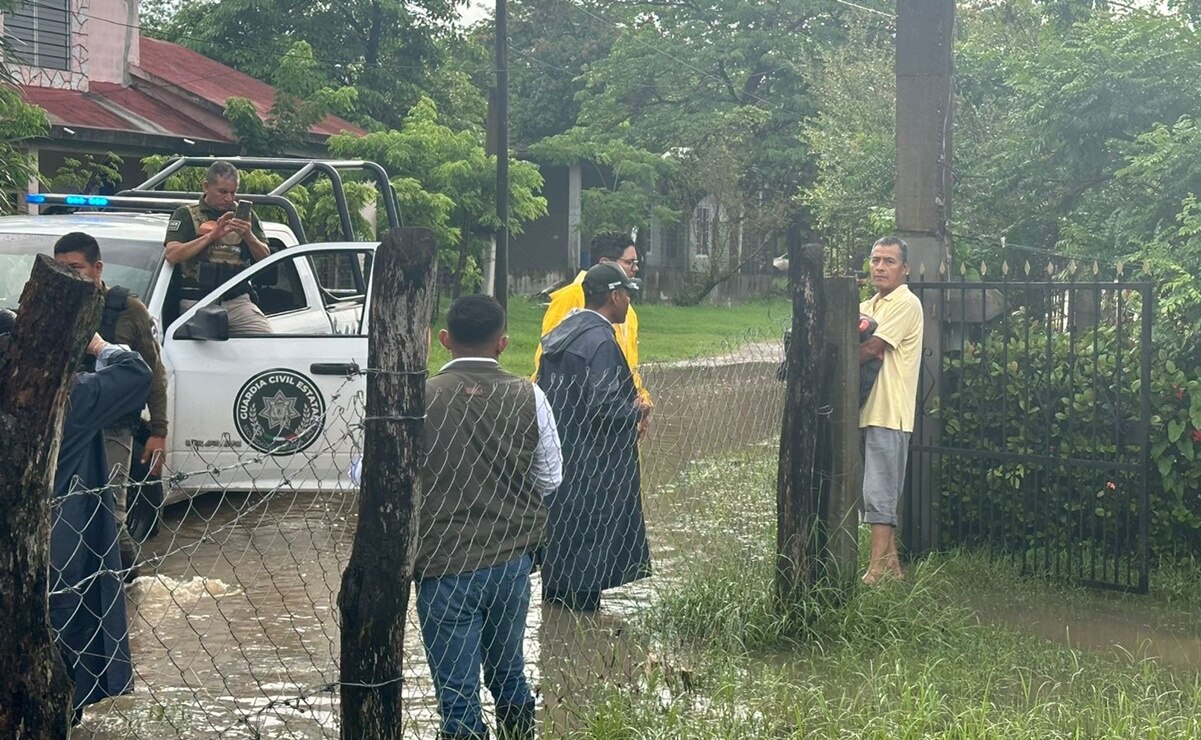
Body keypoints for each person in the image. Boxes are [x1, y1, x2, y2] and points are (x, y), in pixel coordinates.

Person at [417, 294, 563, 740]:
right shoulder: (528, 393)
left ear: (444, 340)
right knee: (509, 673)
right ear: (502, 343)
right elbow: (551, 476)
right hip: (510, 563)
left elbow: (372, 475)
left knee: (457, 694)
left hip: (442, 565)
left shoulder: (418, 398)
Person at [0, 311, 151, 719]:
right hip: (52, 560)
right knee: (58, 669)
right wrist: (97, 344)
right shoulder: (67, 399)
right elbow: (136, 374)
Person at [535, 263, 652, 611]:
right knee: (588, 564)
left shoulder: (564, 333)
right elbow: (603, 403)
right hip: (594, 468)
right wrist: (637, 411)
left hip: (562, 460)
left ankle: (556, 639)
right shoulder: (600, 340)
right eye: (627, 293)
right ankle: (578, 638)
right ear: (614, 296)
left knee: (561, 556)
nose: (630, 300)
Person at [54, 231, 169, 577]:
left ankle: (126, 580)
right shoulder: (49, 308)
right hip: (65, 426)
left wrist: (159, 432)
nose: (69, 276)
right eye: (60, 269)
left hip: (114, 426)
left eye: (76, 267)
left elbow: (152, 373)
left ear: (97, 267)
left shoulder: (127, 309)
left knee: (110, 510)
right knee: (65, 509)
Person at [533, 231, 652, 437]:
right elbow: (548, 357)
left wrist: (640, 399)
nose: (635, 269)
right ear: (605, 262)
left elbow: (630, 365)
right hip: (581, 419)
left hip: (619, 415)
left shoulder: (626, 309)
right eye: (629, 263)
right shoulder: (571, 297)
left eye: (636, 263)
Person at [858, 236, 924, 585]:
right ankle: (894, 568)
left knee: (880, 494)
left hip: (889, 412)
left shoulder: (905, 303)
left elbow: (871, 347)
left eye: (889, 261)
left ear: (905, 268)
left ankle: (875, 571)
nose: (880, 267)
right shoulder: (871, 303)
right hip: (867, 410)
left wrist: (831, 359)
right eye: (875, 260)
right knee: (872, 492)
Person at [163, 160, 273, 334]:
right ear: (206, 186)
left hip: (237, 301)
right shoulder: (186, 214)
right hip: (197, 301)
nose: (229, 198)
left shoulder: (245, 216)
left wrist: (248, 236)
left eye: (233, 192)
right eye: (222, 192)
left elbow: (266, 259)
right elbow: (172, 255)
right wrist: (211, 236)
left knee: (266, 343)